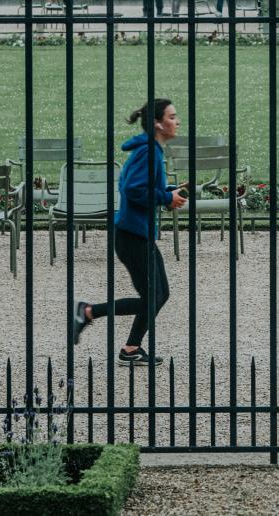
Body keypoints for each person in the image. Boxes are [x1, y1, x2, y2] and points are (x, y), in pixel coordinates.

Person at [73, 98, 188, 366]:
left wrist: (167, 193)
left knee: (160, 295)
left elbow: (137, 185)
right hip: (131, 235)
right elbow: (133, 190)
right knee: (152, 298)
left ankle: (131, 348)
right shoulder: (148, 151)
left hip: (138, 233)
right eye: (172, 117)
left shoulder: (152, 151)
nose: (177, 121)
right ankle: (87, 312)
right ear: (158, 123)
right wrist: (165, 198)